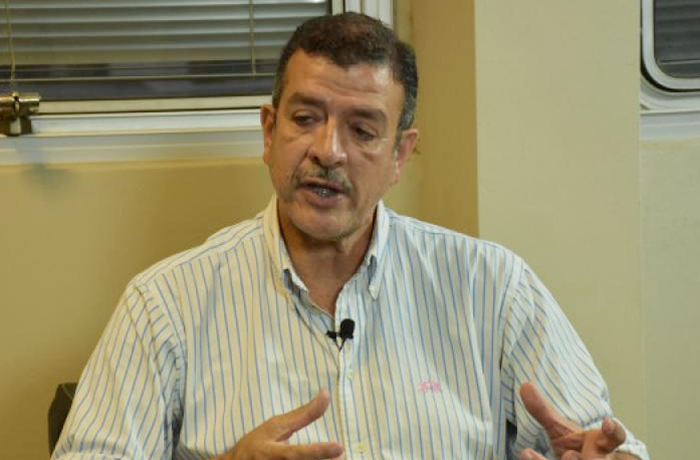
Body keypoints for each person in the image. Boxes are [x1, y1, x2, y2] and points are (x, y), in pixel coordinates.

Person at [52, 12, 649, 460]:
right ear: (269, 131)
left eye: (362, 130)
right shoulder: (165, 304)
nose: (328, 151)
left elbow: (600, 443)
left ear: (400, 155)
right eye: (305, 119)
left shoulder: (492, 287)